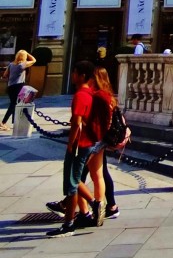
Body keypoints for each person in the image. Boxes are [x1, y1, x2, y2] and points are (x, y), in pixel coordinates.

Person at [47, 60, 99, 236]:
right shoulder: (91, 93)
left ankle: (69, 223)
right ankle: (94, 205)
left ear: (82, 75)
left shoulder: (81, 95)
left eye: (75, 72)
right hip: (88, 143)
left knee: (71, 183)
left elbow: (76, 122)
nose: (72, 75)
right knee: (75, 180)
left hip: (80, 143)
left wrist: (70, 144)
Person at [80, 66, 120, 222]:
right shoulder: (108, 96)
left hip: (93, 139)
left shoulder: (97, 96)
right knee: (99, 174)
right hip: (101, 139)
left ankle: (89, 209)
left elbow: (88, 120)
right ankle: (106, 206)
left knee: (76, 176)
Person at [1, 49, 36, 130]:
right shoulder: (22, 65)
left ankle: (15, 122)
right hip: (18, 86)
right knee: (14, 104)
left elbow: (5, 75)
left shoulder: (11, 64)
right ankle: (3, 122)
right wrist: (27, 53)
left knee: (15, 104)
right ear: (24, 57)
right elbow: (34, 60)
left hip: (10, 87)